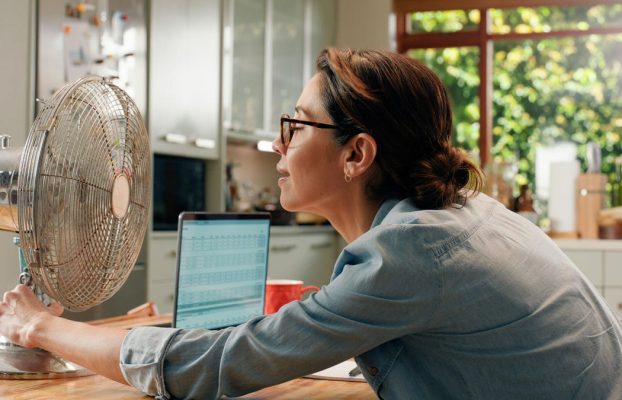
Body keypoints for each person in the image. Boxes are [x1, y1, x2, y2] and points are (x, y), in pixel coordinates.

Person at [1, 48, 621, 399]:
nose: (278, 144)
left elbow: (212, 367)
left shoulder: (409, 251)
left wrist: (41, 326)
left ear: (357, 155)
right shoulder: (464, 217)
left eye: (296, 125)